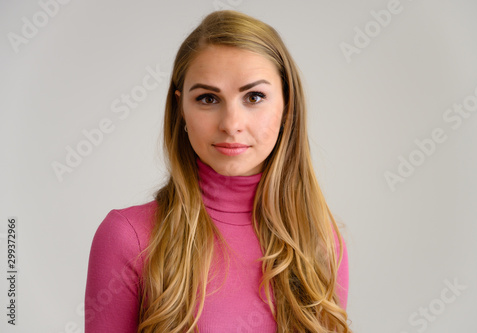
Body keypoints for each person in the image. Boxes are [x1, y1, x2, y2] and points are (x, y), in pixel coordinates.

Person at [85, 10, 351, 333]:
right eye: (208, 98)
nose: (231, 124)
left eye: (254, 97)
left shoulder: (321, 244)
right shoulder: (127, 237)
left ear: (287, 106)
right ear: (181, 108)